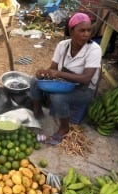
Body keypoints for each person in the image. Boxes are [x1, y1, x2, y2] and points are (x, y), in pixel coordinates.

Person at [30, 12, 102, 145]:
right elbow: (53, 68)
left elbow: (86, 79)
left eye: (89, 30)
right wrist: (43, 73)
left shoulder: (94, 50)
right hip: (63, 84)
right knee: (34, 82)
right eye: (82, 30)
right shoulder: (63, 45)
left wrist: (59, 74)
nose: (86, 34)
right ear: (71, 30)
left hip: (84, 90)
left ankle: (64, 127)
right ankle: (38, 112)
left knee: (58, 97)